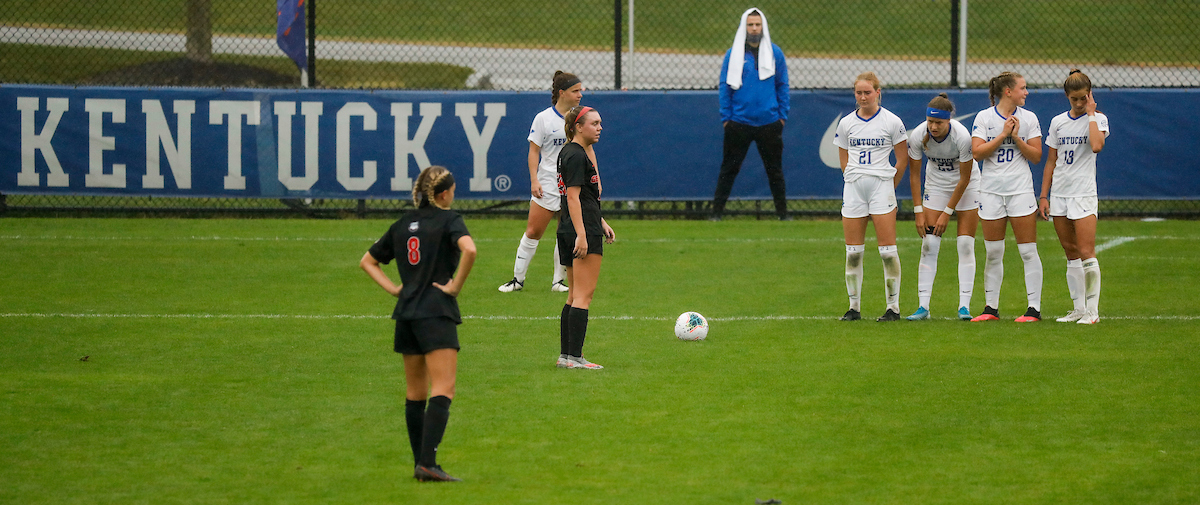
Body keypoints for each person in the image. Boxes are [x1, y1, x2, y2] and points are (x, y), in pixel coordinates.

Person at [359, 165, 477, 482]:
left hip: (406, 312)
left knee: (415, 393)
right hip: (435, 312)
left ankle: (420, 463)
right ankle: (428, 463)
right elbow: (470, 249)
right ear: (444, 194)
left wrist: (396, 289)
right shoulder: (449, 220)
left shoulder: (401, 224)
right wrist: (454, 287)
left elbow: (367, 261)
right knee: (443, 388)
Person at [498, 71, 584, 293]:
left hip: (571, 186)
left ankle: (558, 282)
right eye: (576, 91)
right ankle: (517, 280)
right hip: (547, 185)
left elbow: (587, 149)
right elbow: (534, 151)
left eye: (581, 90)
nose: (580, 95)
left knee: (565, 233)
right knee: (533, 231)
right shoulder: (543, 118)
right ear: (562, 93)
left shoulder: (580, 118)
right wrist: (534, 180)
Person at [970, 71, 1044, 322]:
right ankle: (990, 308)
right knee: (993, 251)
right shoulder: (984, 117)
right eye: (1022, 88)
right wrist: (1003, 134)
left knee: (1027, 251)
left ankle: (1034, 308)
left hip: (1020, 190)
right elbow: (977, 153)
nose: (1026, 92)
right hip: (990, 191)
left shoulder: (1029, 118)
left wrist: (1016, 137)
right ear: (1008, 91)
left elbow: (1036, 156)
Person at [834, 72, 909, 322]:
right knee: (853, 252)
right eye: (859, 93)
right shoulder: (846, 123)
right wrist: (852, 179)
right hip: (854, 189)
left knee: (887, 251)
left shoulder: (892, 121)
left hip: (881, 188)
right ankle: (853, 307)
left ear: (878, 92)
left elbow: (902, 158)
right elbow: (843, 158)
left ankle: (893, 308)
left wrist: (889, 185)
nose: (863, 97)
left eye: (868, 92)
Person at [899, 93, 980, 321]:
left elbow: (964, 178)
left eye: (939, 123)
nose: (933, 127)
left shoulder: (962, 137)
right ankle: (923, 306)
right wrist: (918, 211)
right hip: (936, 185)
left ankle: (964, 306)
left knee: (965, 244)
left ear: (948, 121)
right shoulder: (918, 135)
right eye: (930, 122)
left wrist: (947, 212)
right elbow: (914, 176)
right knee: (929, 244)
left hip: (967, 185)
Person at [1038, 69, 1109, 325]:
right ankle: (1078, 308)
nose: (1079, 103)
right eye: (1074, 99)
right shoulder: (1058, 122)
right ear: (1067, 97)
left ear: (1090, 96)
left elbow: (1097, 146)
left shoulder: (1098, 119)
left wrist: (1090, 113)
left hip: (1083, 193)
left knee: (1087, 251)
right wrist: (1044, 195)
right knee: (1070, 251)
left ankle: (1092, 312)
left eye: (1083, 98)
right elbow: (1051, 162)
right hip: (1060, 193)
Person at [711, 7, 790, 221]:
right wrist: (726, 118)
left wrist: (782, 116)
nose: (754, 28)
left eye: (757, 24)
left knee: (775, 171)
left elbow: (782, 85)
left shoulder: (776, 53)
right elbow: (724, 87)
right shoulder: (733, 54)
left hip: (769, 122)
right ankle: (716, 213)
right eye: (750, 24)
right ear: (744, 27)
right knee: (729, 169)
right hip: (738, 122)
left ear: (763, 26)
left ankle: (783, 214)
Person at [556, 105, 616, 369]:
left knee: (572, 296)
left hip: (570, 227)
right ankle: (576, 358)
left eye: (600, 123)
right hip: (581, 231)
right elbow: (572, 196)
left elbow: (585, 197)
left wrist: (601, 221)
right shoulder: (577, 155)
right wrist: (583, 233)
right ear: (578, 126)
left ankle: (566, 357)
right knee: (583, 296)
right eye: (594, 123)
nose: (599, 127)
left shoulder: (569, 152)